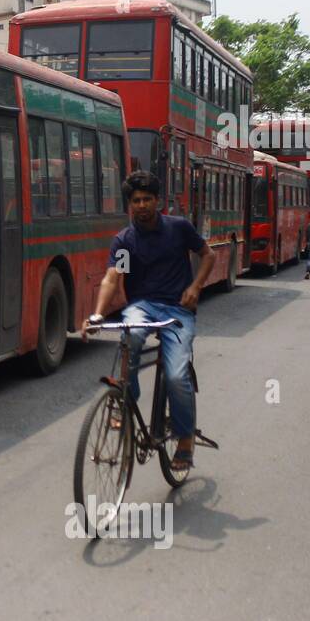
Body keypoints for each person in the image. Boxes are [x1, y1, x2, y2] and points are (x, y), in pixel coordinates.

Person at [85, 170, 215, 474]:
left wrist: (195, 287)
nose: (141, 205)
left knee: (175, 376)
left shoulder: (178, 229)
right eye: (135, 201)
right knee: (130, 336)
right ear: (129, 204)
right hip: (141, 307)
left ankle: (185, 440)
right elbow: (112, 277)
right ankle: (126, 399)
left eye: (147, 199)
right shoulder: (125, 240)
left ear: (157, 201)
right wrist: (98, 314)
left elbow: (207, 255)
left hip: (177, 312)